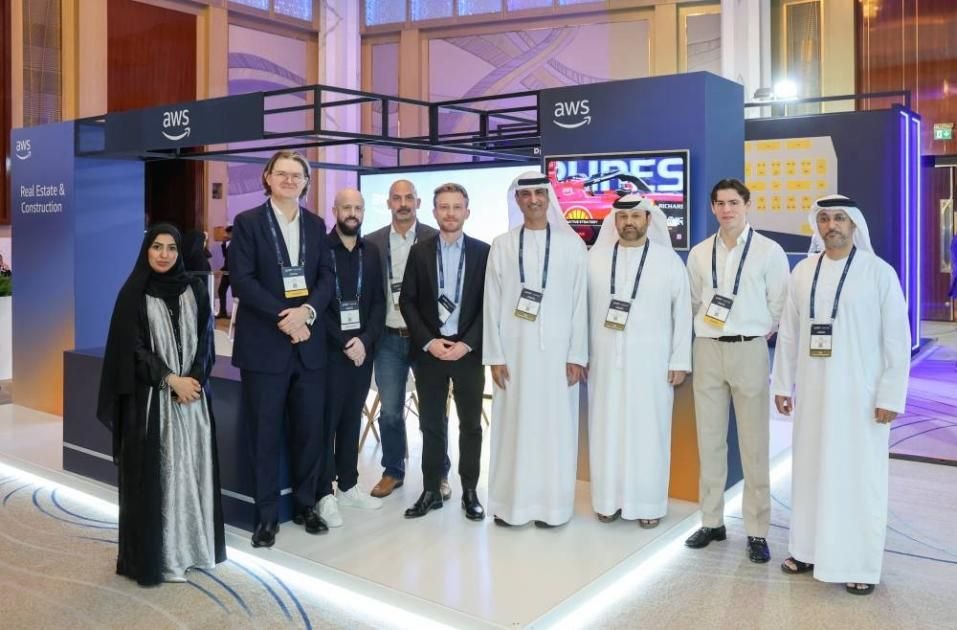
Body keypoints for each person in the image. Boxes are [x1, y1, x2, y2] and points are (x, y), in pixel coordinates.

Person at [772, 194, 910, 595]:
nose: (831, 225)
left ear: (853, 225)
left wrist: (890, 395)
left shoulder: (878, 273)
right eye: (824, 219)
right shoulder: (803, 271)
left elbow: (896, 339)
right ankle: (807, 549)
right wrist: (782, 383)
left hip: (860, 398)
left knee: (857, 477)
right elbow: (790, 333)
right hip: (813, 394)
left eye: (838, 219)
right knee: (811, 471)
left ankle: (858, 563)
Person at [96, 224, 226, 585]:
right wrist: (171, 380)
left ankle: (195, 549)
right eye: (157, 247)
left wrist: (194, 380)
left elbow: (206, 338)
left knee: (193, 471)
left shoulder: (195, 288)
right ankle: (161, 557)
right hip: (151, 403)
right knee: (159, 477)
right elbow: (133, 350)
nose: (164, 254)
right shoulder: (133, 294)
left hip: (194, 400)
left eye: (171, 247)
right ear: (146, 250)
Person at [230, 150, 335, 547]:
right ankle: (266, 516)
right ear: (268, 177)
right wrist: (286, 316)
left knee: (309, 431)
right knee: (264, 433)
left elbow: (326, 277)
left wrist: (306, 312)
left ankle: (306, 505)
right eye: (283, 173)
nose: (290, 180)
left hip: (309, 345)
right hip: (265, 345)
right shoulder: (248, 223)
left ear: (306, 182)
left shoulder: (316, 224)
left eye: (297, 175)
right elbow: (242, 280)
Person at [684, 178, 790, 563]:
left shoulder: (768, 251)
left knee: (754, 444)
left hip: (749, 348)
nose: (727, 209)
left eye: (734, 202)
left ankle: (757, 531)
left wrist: (757, 330)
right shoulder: (699, 253)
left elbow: (779, 304)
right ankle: (712, 521)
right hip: (707, 349)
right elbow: (694, 301)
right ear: (713, 208)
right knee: (709, 440)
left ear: (747, 205)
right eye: (720, 203)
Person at [483, 170, 588, 528]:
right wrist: (495, 356)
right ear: (517, 200)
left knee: (555, 430)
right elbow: (492, 302)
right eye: (525, 195)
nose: (533, 200)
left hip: (558, 357)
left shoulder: (572, 246)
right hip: (513, 356)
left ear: (548, 197)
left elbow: (580, 304)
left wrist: (577, 355)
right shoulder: (502, 245)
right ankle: (510, 506)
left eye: (539, 193)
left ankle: (553, 508)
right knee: (513, 429)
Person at [586, 194, 692, 527]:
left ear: (648, 219)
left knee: (649, 432)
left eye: (635, 216)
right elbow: (579, 311)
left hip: (653, 364)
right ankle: (607, 501)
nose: (629, 222)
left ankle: (648, 504)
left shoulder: (668, 261)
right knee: (606, 430)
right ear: (614, 221)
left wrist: (679, 360)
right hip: (604, 361)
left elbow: (683, 313)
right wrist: (579, 354)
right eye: (623, 217)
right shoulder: (594, 260)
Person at [400, 183, 490, 521]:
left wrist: (468, 343)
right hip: (430, 353)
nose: (450, 213)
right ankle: (431, 490)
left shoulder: (483, 252)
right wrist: (429, 341)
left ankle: (470, 491)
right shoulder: (420, 252)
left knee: (471, 425)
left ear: (467, 212)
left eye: (456, 207)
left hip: (468, 352)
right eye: (444, 207)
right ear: (434, 211)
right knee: (431, 424)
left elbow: (490, 304)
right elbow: (407, 301)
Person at [365, 180, 450, 499]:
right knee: (389, 411)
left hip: (426, 340)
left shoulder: (435, 238)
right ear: (388, 203)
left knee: (433, 411)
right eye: (396, 198)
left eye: (408, 198)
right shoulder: (371, 242)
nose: (403, 204)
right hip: (388, 338)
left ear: (418, 202)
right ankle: (392, 471)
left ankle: (439, 473)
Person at [316, 188, 386, 527]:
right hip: (330, 351)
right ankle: (324, 493)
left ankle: (347, 485)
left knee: (351, 419)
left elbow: (378, 303)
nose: (353, 213)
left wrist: (365, 341)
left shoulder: (371, 251)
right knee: (326, 421)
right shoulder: (320, 249)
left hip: (361, 353)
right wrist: (345, 341)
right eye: (346, 207)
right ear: (335, 210)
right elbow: (317, 304)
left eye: (358, 207)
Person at [217, 226, 232, 319]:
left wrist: (224, 268)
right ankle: (223, 312)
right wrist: (223, 244)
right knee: (221, 291)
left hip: (232, 272)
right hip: (227, 272)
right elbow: (226, 256)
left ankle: (236, 314)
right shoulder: (228, 243)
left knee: (236, 294)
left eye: (228, 233)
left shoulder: (237, 244)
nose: (226, 235)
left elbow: (232, 259)